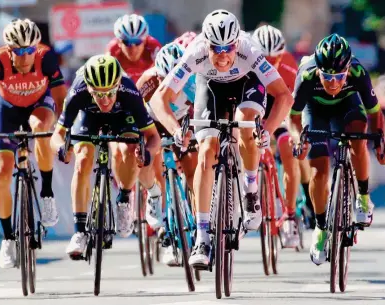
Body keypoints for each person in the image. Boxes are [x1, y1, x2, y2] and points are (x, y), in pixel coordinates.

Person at [150, 9, 293, 268]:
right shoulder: (196, 52)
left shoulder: (249, 51)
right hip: (210, 85)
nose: (223, 54)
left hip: (247, 83)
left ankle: (250, 189)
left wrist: (268, 130)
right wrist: (175, 131)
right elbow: (159, 99)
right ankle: (202, 237)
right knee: (206, 151)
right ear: (207, 44)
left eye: (229, 47)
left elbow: (284, 96)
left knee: (245, 120)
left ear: (237, 42)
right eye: (216, 48)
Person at [0, 18, 67, 269]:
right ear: (9, 49)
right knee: (2, 176)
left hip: (40, 105)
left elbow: (61, 100)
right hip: (7, 111)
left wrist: (63, 132)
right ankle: (7, 239)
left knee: (40, 128)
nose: (25, 56)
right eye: (19, 51)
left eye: (29, 50)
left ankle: (46, 193)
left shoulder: (46, 57)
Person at [50, 54, 161, 258]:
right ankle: (79, 232)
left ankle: (125, 198)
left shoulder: (128, 91)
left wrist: (147, 153)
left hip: (122, 115)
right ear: (89, 88)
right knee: (82, 159)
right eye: (98, 94)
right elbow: (57, 135)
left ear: (118, 85)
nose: (105, 100)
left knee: (129, 148)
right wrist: (60, 148)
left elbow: (153, 137)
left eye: (110, 93)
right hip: (88, 116)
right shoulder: (77, 91)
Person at [289, 33, 385, 265]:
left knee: (358, 138)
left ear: (347, 71)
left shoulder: (358, 72)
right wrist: (298, 140)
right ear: (319, 71)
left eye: (339, 77)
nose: (333, 83)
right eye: (327, 77)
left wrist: (380, 142)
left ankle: (362, 197)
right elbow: (293, 118)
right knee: (319, 171)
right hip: (316, 112)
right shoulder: (307, 74)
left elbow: (374, 113)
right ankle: (321, 228)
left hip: (347, 107)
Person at [136, 42, 197, 265]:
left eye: (171, 80)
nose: (165, 84)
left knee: (193, 169)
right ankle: (159, 208)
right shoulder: (146, 82)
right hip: (153, 124)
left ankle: (197, 216)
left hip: (182, 122)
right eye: (161, 78)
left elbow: (203, 111)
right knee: (149, 162)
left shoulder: (192, 83)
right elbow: (134, 114)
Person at [252, 24, 313, 247]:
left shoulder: (288, 66)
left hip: (281, 111)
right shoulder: (247, 62)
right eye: (265, 58)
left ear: (281, 54)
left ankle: (289, 215)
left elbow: (296, 106)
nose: (270, 63)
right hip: (256, 109)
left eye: (275, 58)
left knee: (288, 147)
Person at [107, 14, 162, 84]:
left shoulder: (154, 48)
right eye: (127, 42)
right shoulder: (112, 50)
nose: (133, 48)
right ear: (119, 43)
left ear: (145, 41)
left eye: (137, 42)